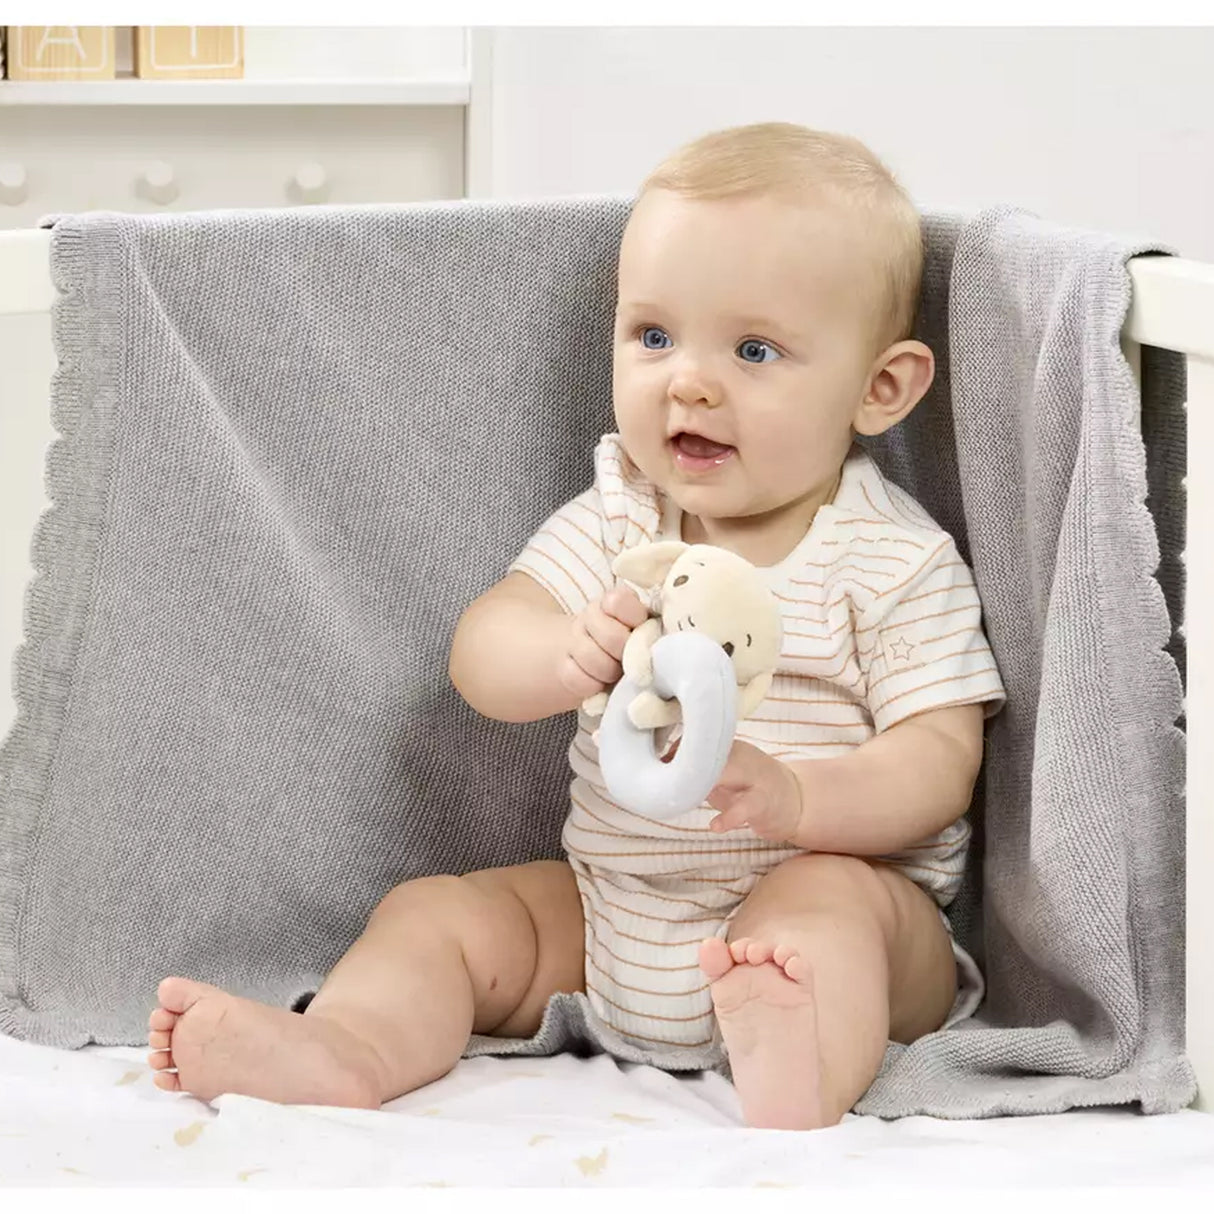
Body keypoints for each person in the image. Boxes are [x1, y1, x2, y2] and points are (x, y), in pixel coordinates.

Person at [146, 122, 1005, 1130]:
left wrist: (799, 796)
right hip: (609, 910)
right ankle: (347, 1046)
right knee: (439, 914)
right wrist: (561, 652)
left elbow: (937, 758)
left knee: (832, 915)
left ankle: (798, 1060)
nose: (686, 380)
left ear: (879, 388)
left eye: (754, 348)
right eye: (651, 335)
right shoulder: (618, 519)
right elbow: (482, 647)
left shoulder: (888, 557)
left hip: (831, 898)